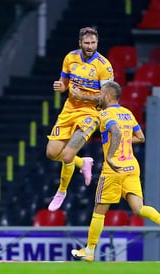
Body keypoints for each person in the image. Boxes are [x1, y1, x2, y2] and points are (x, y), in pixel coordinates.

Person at [70, 81, 160, 262]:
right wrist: (123, 142)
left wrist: (111, 155)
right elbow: (140, 137)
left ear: (109, 96)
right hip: (131, 166)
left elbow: (116, 132)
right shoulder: (127, 113)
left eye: (101, 94)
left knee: (99, 211)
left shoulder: (106, 114)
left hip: (114, 169)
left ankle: (89, 251)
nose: (99, 97)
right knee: (138, 208)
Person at [47, 27, 114, 211]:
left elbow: (106, 99)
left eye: (93, 43)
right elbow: (64, 83)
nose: (90, 46)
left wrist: (84, 97)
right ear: (80, 43)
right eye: (87, 43)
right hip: (69, 109)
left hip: (91, 113)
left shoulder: (104, 66)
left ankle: (61, 192)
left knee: (67, 154)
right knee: (52, 153)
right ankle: (83, 162)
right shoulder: (70, 58)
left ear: (97, 43)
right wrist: (60, 86)